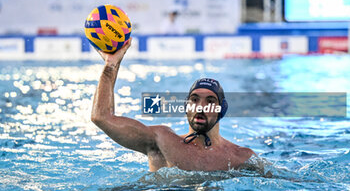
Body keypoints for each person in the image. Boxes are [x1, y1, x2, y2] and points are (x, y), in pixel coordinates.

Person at [91, 39, 256, 172]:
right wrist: (110, 66)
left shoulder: (241, 158)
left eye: (210, 101)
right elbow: (101, 117)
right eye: (195, 99)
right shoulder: (162, 141)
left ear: (222, 109)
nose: (200, 107)